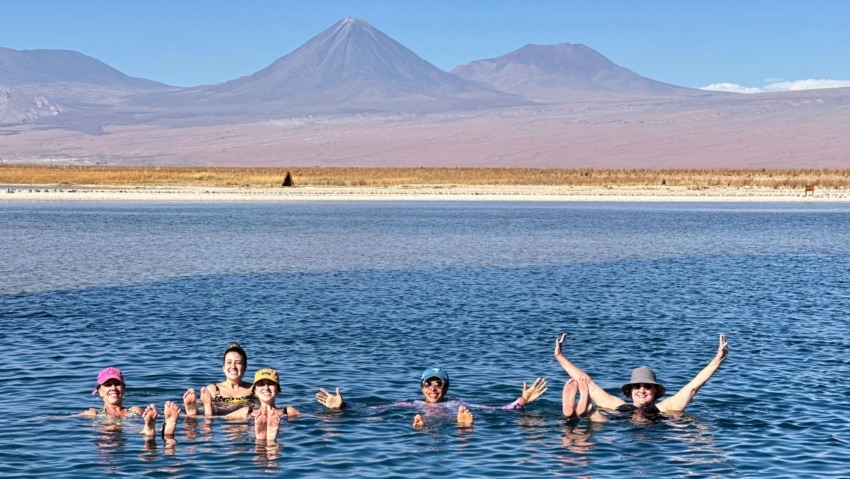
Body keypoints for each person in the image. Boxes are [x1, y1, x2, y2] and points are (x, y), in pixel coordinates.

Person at [553, 332, 728, 418]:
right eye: (637, 386)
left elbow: (693, 387)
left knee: (600, 420)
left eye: (647, 386)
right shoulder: (618, 405)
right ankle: (587, 410)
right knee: (602, 421)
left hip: (629, 425)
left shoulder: (665, 407)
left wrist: (718, 359)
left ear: (655, 390)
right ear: (630, 391)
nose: (641, 390)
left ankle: (587, 411)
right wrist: (560, 357)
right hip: (624, 422)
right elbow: (586, 382)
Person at [316, 367, 548, 429]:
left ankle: (462, 429)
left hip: (452, 419)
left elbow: (498, 411)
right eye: (429, 383)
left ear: (446, 388)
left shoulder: (458, 404)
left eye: (439, 384)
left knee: (462, 420)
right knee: (420, 421)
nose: (434, 388)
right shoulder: (410, 404)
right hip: (426, 418)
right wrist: (342, 407)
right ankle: (455, 429)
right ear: (421, 387)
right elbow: (371, 411)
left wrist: (522, 401)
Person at [185, 368, 298, 446]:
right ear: (255, 391)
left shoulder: (288, 411)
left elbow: (312, 418)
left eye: (271, 384)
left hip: (277, 431)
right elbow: (218, 419)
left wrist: (317, 412)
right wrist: (193, 416)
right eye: (261, 384)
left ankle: (268, 437)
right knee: (240, 430)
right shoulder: (246, 411)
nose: (266, 387)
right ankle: (264, 437)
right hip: (253, 428)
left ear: (278, 390)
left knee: (270, 434)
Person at [80, 366, 180, 440]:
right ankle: (156, 431)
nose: (113, 388)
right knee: (111, 427)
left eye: (117, 384)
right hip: (112, 430)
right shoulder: (93, 413)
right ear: (100, 391)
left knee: (141, 430)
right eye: (108, 385)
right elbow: (67, 419)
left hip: (131, 427)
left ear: (124, 389)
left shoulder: (134, 410)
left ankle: (157, 429)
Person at [183, 342, 255, 416]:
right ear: (223, 367)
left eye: (238, 363)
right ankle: (195, 410)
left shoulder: (253, 389)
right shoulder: (214, 389)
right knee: (205, 410)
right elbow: (201, 403)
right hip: (220, 414)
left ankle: (209, 410)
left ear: (245, 367)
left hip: (242, 417)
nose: (233, 366)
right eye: (229, 362)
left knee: (247, 411)